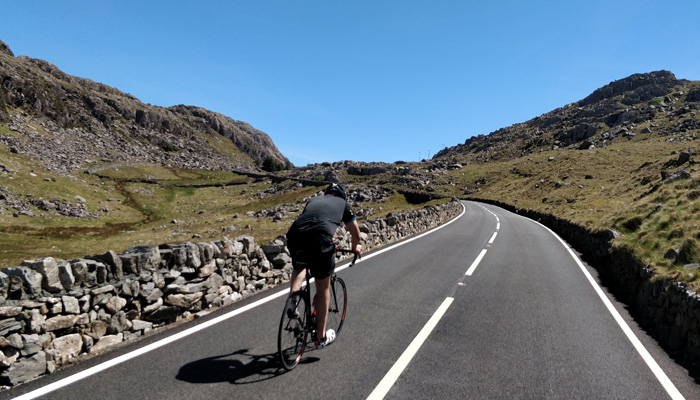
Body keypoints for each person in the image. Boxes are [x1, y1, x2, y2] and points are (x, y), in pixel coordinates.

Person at [285, 183, 362, 348]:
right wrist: (355, 247)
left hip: (295, 234)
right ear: (342, 196)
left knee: (300, 266)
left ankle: (293, 300)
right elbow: (355, 232)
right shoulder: (343, 204)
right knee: (323, 287)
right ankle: (320, 337)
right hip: (320, 238)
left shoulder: (314, 200)